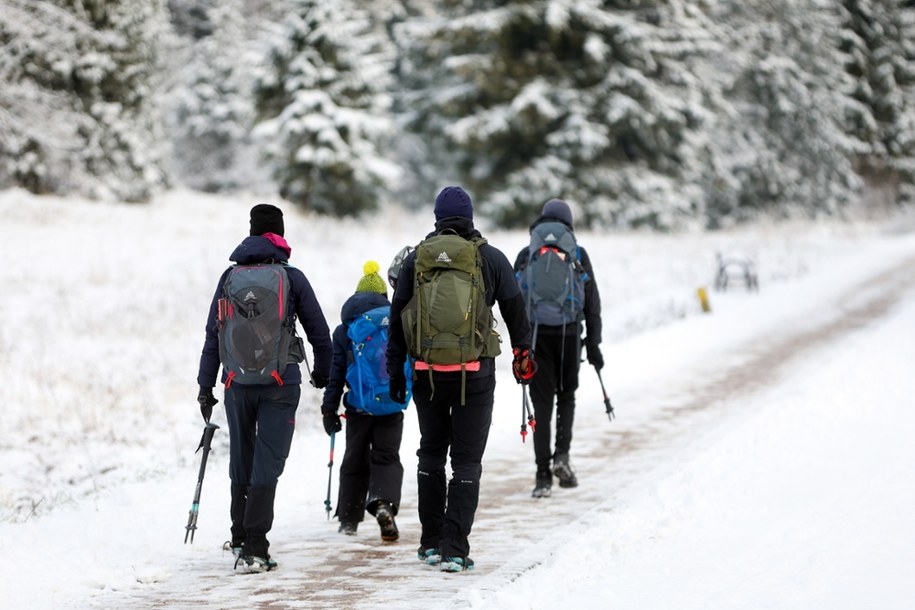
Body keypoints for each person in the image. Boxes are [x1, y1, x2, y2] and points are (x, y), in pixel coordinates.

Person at [386, 186, 533, 573]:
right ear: (470, 217)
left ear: (437, 217)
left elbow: (397, 320)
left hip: (426, 374)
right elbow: (517, 313)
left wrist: (395, 374)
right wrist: (523, 354)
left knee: (431, 452)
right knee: (466, 462)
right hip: (476, 373)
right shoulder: (490, 258)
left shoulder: (417, 259)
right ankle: (454, 547)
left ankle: (430, 541)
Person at [196, 203, 333, 572]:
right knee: (268, 461)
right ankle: (255, 546)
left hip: (236, 382)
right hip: (280, 381)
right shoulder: (292, 278)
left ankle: (240, 534)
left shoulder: (229, 278)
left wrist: (205, 385)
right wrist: (322, 374)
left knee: (242, 457)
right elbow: (321, 334)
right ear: (281, 235)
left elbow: (214, 335)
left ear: (252, 232)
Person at [513, 198, 602, 498]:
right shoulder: (578, 254)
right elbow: (592, 303)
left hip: (536, 337)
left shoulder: (527, 254)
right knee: (566, 397)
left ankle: (542, 476)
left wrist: (519, 346)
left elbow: (514, 303)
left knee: (541, 407)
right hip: (569, 334)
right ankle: (561, 456)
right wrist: (594, 343)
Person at [321, 261, 405, 541]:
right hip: (392, 403)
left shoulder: (345, 329)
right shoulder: (396, 319)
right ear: (383, 296)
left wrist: (329, 409)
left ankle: (349, 518)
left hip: (358, 406)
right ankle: (383, 502)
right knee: (387, 457)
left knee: (354, 459)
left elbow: (336, 374)